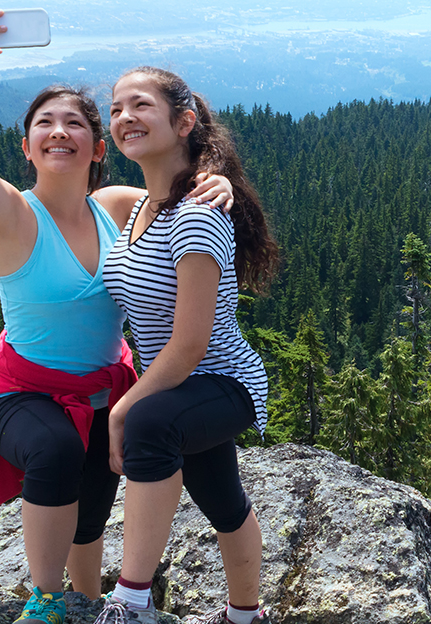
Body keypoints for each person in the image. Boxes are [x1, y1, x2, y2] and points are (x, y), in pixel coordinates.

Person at [0, 5, 235, 624]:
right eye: (44, 123)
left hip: (105, 388)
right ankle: (45, 598)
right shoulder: (13, 217)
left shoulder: (115, 207)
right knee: (53, 454)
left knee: (96, 501)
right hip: (23, 393)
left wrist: (217, 181)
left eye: (74, 123)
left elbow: (176, 187)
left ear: (98, 147)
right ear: (25, 147)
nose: (58, 131)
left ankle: (91, 601)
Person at [96, 66, 280, 624]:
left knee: (151, 427)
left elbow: (192, 343)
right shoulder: (131, 207)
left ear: (184, 122)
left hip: (221, 383)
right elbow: (65, 200)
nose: (126, 117)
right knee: (224, 501)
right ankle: (246, 616)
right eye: (116, 108)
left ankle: (131, 601)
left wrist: (127, 406)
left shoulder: (197, 219)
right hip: (177, 388)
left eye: (141, 106)